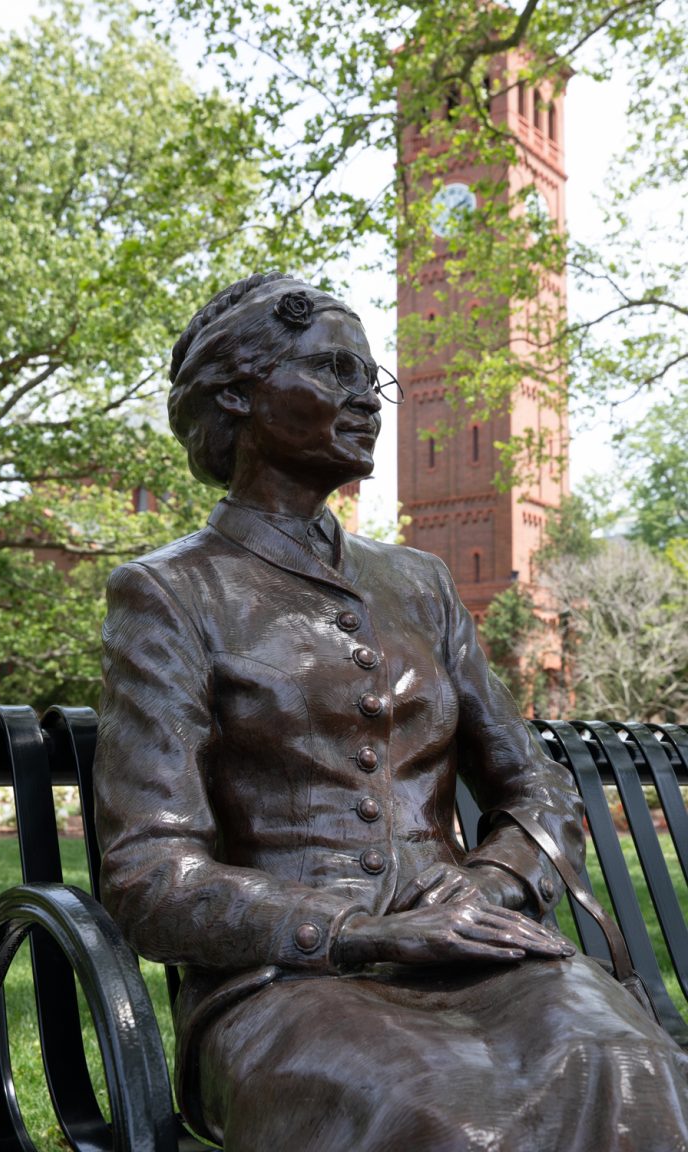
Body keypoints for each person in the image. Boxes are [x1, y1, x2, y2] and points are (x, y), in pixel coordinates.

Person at [94, 272, 688, 1152]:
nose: (369, 399)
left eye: (374, 378)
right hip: (285, 984)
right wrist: (360, 932)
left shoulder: (421, 582)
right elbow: (150, 873)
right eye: (335, 370)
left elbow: (535, 786)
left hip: (476, 952)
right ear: (238, 394)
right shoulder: (170, 592)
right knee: (433, 1117)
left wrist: (487, 888)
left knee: (630, 1066)